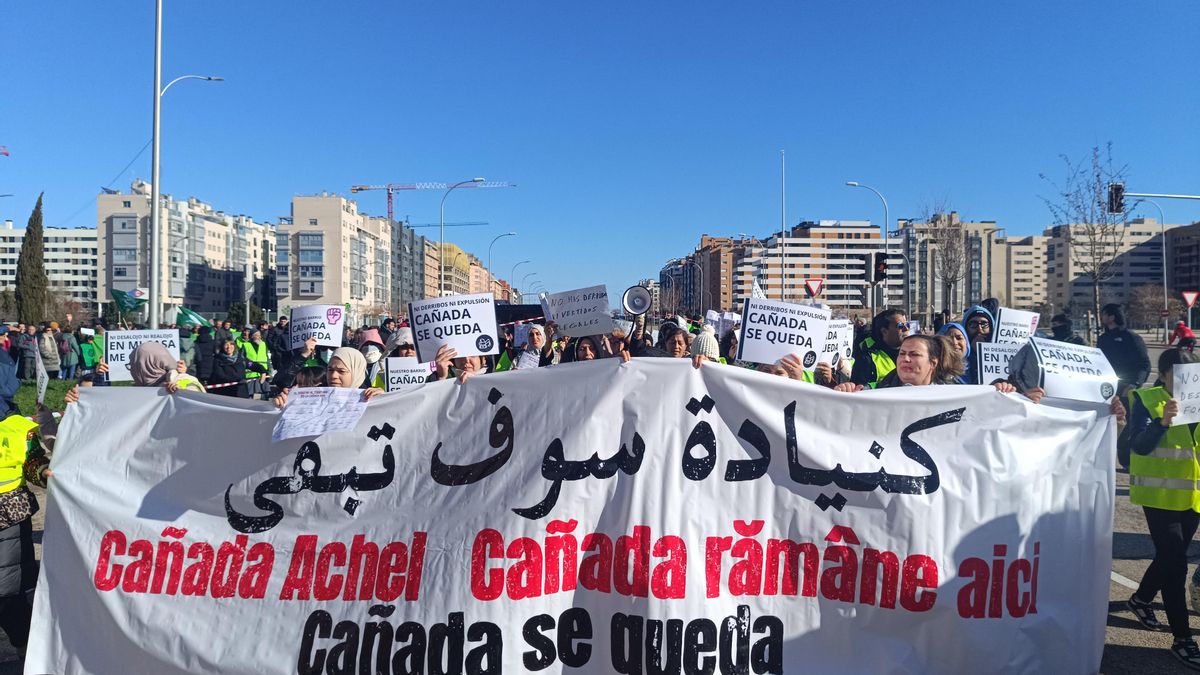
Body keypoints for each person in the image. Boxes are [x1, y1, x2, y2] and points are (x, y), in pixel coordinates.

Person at [1119, 348, 1200, 668]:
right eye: (1179, 375)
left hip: (1192, 497)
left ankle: (1140, 599)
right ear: (1164, 374)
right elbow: (1137, 444)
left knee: (1170, 558)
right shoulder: (1146, 399)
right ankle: (1183, 639)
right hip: (1159, 497)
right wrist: (1163, 421)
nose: (1185, 382)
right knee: (1176, 564)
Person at [0, 346, 47, 655]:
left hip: (7, 519)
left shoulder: (18, 427)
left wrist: (46, 474)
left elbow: (33, 464)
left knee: (7, 594)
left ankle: (26, 648)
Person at [1097, 303, 1151, 397]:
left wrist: (1135, 384)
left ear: (1112, 317)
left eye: (1104, 314)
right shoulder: (1103, 339)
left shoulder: (1131, 337)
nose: (1101, 317)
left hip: (1126, 388)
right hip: (1106, 388)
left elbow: (1144, 364)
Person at [850, 309, 908, 388]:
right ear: (884, 331)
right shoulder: (867, 357)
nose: (906, 329)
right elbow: (859, 390)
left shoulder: (916, 352)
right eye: (900, 326)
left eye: (907, 325)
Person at [241, 330, 271, 398]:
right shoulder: (246, 345)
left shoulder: (264, 344)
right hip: (251, 374)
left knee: (264, 394)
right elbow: (242, 359)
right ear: (251, 336)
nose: (258, 337)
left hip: (263, 374)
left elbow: (267, 358)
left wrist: (269, 370)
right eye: (256, 335)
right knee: (250, 395)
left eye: (259, 335)